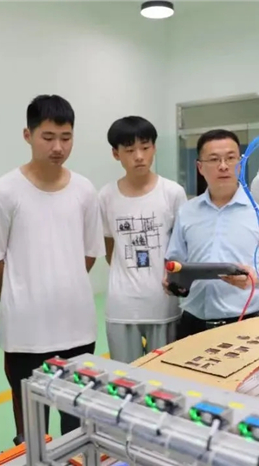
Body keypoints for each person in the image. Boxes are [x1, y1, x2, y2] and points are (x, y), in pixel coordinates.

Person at [0, 94, 105, 444]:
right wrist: (17, 297)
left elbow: (89, 253)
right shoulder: (4, 191)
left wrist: (63, 281)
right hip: (25, 332)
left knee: (77, 428)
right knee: (32, 433)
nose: (58, 147)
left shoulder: (84, 190)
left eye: (66, 138)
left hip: (77, 327)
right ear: (28, 135)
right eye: (48, 137)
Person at [163, 129, 259, 339]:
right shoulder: (187, 211)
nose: (223, 166)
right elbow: (175, 260)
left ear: (240, 164)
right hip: (192, 324)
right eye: (214, 159)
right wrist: (171, 280)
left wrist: (255, 278)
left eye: (230, 158)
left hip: (246, 323)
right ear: (200, 167)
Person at [99, 116, 187, 363]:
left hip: (164, 304)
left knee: (165, 375)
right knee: (125, 376)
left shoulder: (172, 192)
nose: (139, 156)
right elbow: (110, 246)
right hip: (121, 307)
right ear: (116, 154)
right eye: (129, 150)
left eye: (145, 147)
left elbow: (182, 247)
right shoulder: (106, 196)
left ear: (154, 148)